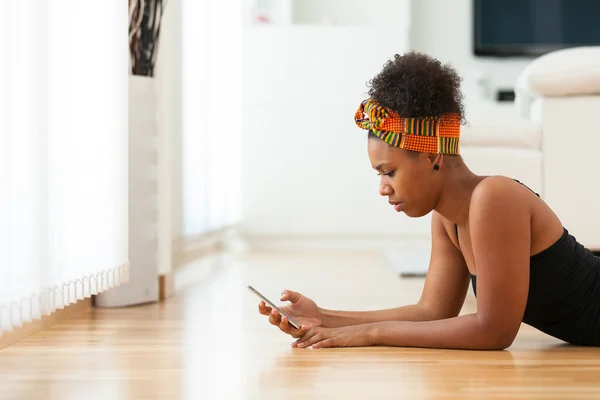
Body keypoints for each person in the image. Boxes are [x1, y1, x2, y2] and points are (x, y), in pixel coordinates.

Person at [257, 51, 600, 350]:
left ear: (431, 155)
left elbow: (494, 331)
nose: (382, 188)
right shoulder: (448, 217)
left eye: (389, 172)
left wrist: (370, 333)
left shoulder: (494, 198)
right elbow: (432, 313)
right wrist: (325, 318)